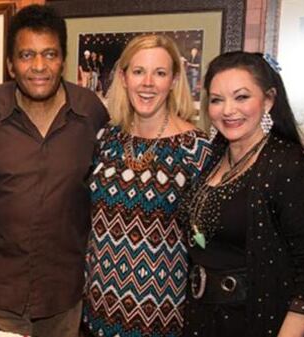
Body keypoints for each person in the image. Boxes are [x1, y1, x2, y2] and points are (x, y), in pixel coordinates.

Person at [0, 5, 109, 337]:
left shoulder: (91, 111)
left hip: (64, 289)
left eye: (49, 54)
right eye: (27, 55)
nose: (39, 66)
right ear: (11, 64)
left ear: (63, 60)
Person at [181, 51, 304, 337]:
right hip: (205, 319)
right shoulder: (216, 156)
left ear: (268, 100)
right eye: (216, 100)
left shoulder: (287, 166)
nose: (228, 110)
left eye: (241, 97)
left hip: (260, 322)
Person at [83, 34, 213, 337]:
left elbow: (208, 238)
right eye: (139, 71)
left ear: (173, 81)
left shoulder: (196, 148)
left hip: (161, 312)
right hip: (98, 305)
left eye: (160, 73)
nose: (148, 83)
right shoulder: (107, 139)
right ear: (124, 77)